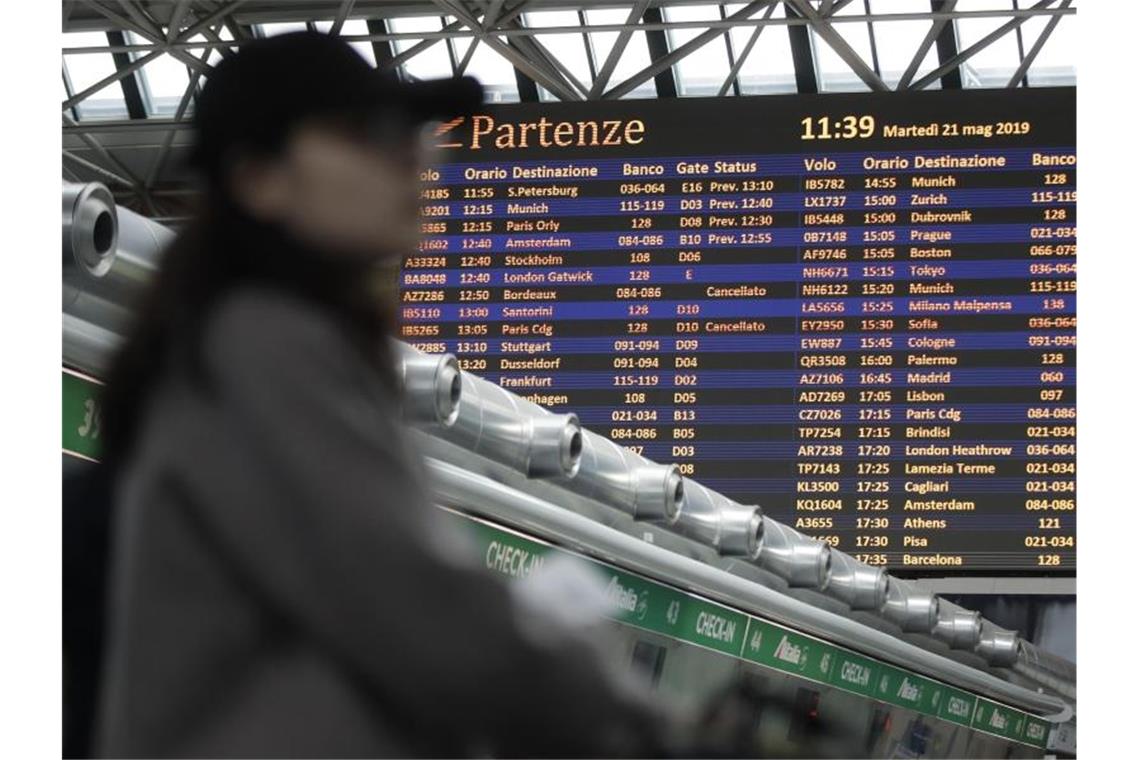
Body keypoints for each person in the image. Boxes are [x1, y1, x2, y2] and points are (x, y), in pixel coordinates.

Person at [95, 32, 669, 758]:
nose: (411, 155)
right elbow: (422, 614)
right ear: (258, 178)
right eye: (365, 133)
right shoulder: (263, 344)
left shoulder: (252, 339)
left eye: (413, 134)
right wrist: (638, 721)